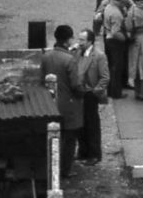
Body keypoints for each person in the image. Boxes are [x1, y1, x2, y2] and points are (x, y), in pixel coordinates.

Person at [40, 25, 85, 179]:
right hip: (69, 106)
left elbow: (41, 80)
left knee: (53, 138)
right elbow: (75, 85)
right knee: (69, 140)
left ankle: (51, 166)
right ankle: (65, 170)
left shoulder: (46, 56)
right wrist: (85, 93)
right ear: (67, 41)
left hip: (49, 103)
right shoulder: (70, 60)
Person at [75, 28, 109, 165]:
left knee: (92, 125)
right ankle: (83, 151)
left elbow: (105, 77)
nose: (79, 42)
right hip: (80, 93)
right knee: (80, 124)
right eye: (79, 39)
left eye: (82, 40)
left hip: (90, 94)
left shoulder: (99, 56)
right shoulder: (78, 53)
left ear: (90, 41)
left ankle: (94, 154)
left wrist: (95, 92)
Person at [102, 0, 131, 98]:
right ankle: (116, 93)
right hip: (115, 42)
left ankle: (112, 90)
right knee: (117, 67)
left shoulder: (109, 7)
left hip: (108, 39)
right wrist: (126, 38)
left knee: (112, 66)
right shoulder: (116, 14)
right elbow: (115, 32)